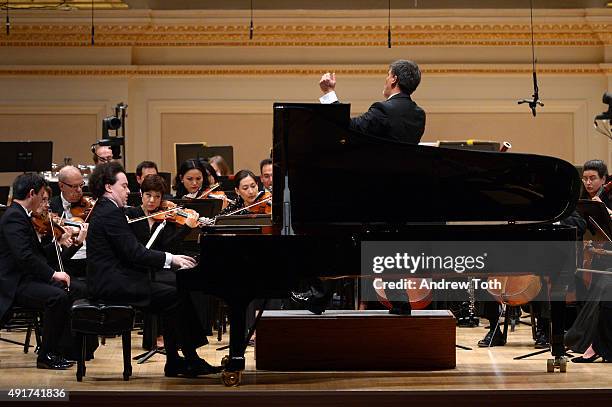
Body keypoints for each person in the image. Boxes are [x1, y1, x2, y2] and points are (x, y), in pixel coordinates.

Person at [86, 161, 220, 377]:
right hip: (111, 284)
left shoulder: (108, 210)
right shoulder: (110, 212)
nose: (129, 191)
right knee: (174, 293)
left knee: (175, 288)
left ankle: (179, 360)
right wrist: (171, 259)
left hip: (118, 277)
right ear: (109, 187)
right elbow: (134, 253)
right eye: (124, 186)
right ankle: (185, 359)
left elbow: (131, 252)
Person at [0, 173, 82, 369]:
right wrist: (53, 274)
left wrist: (60, 245)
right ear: (31, 193)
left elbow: (36, 256)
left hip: (25, 278)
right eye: (41, 195)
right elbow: (24, 257)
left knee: (73, 289)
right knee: (57, 297)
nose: (43, 201)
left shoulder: (21, 216)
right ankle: (46, 356)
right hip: (14, 283)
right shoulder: (14, 217)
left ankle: (69, 349)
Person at [319, 59, 426, 144]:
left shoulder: (384, 110)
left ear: (394, 79)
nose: (386, 79)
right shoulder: (420, 115)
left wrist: (329, 93)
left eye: (388, 75)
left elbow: (347, 127)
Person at [49, 166, 89, 279]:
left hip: (89, 260)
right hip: (66, 262)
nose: (79, 190)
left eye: (81, 185)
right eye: (74, 186)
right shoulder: (51, 206)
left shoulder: (89, 206)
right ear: (61, 186)